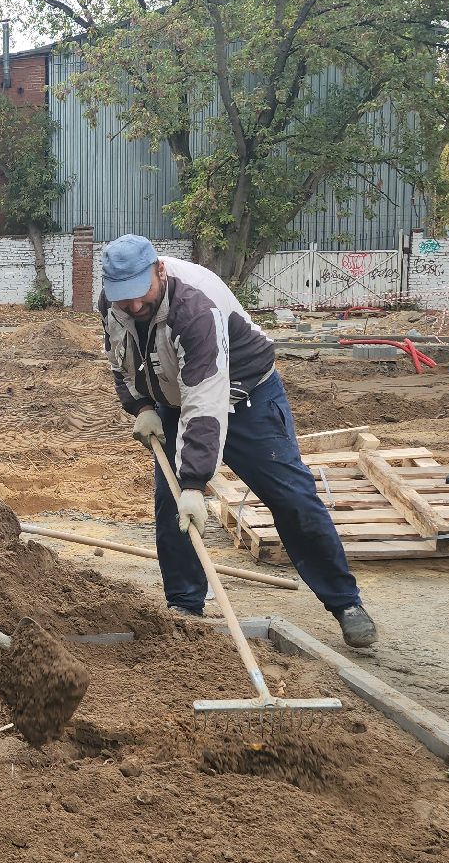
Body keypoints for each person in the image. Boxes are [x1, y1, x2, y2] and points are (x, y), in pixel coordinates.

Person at [97, 234, 379, 648]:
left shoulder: (195, 307)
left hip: (246, 396)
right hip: (173, 399)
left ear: (159, 271)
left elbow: (206, 400)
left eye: (140, 296)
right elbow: (118, 357)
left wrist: (194, 483)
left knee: (292, 497)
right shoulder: (112, 303)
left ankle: (345, 602)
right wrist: (140, 405)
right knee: (169, 504)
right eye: (124, 300)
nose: (133, 307)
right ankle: (184, 607)